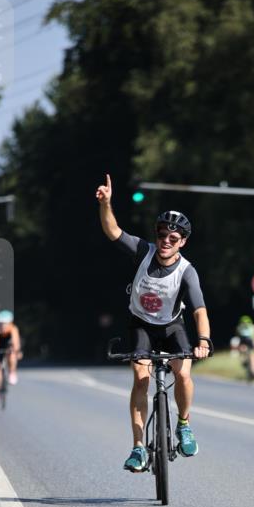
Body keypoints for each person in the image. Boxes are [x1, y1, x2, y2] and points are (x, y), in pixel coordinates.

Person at [96, 173, 211, 472]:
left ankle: (184, 424)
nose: (166, 242)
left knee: (183, 374)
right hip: (141, 325)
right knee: (141, 379)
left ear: (182, 242)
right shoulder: (143, 251)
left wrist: (203, 341)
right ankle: (138, 449)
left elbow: (199, 310)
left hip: (173, 327)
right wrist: (106, 203)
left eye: (173, 239)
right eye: (162, 235)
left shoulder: (187, 271)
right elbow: (112, 231)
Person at [0, 309, 21, 407]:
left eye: (5, 323)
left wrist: (17, 351)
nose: (3, 326)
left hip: (8, 350)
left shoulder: (13, 329)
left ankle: (12, 372)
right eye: (1, 323)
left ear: (10, 323)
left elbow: (16, 343)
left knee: (12, 355)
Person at [235, 314, 254, 379]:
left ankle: (245, 362)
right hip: (248, 341)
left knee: (244, 351)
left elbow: (239, 337)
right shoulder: (253, 327)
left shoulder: (239, 327)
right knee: (252, 355)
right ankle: (253, 370)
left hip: (246, 341)